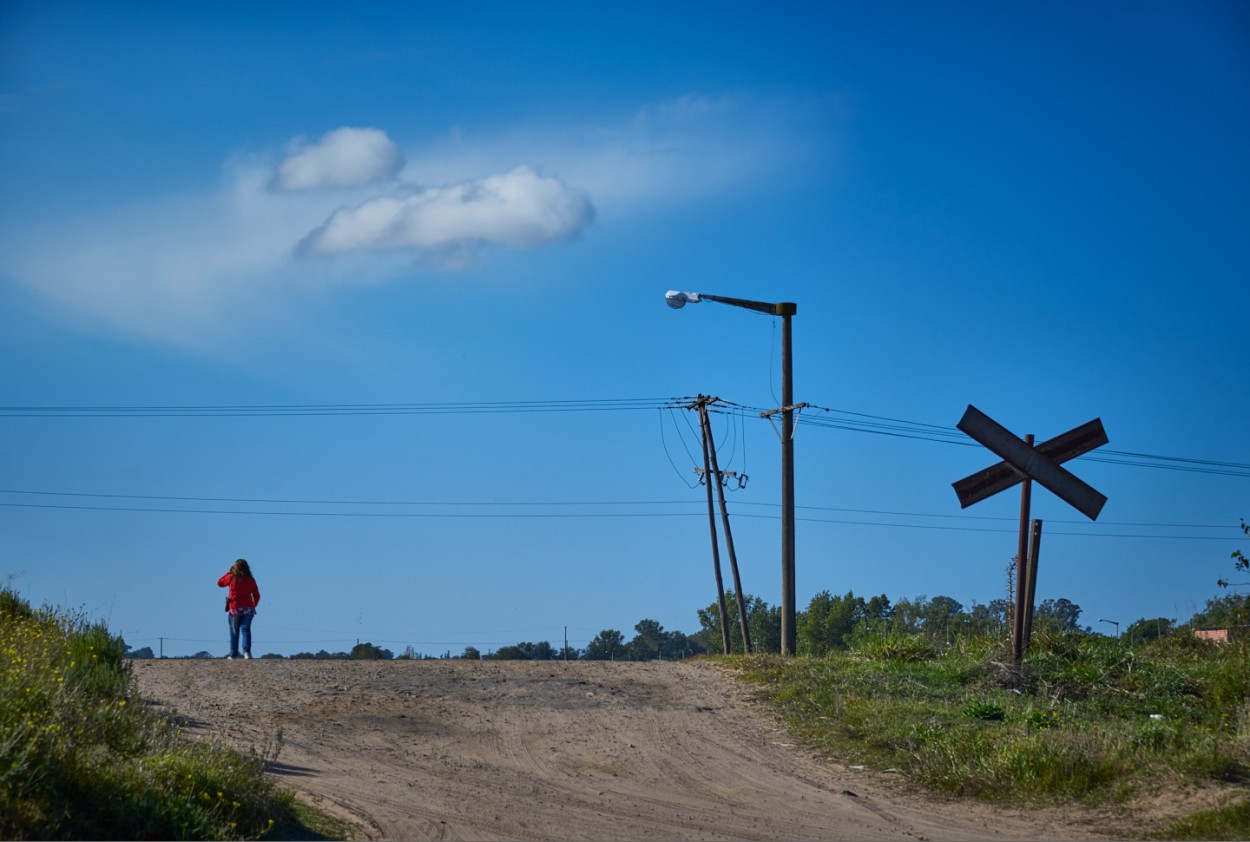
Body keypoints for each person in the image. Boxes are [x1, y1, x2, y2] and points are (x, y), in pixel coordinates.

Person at [218, 559, 261, 660]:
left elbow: (219, 583)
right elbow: (257, 595)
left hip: (235, 608)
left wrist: (228, 572)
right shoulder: (251, 579)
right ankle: (247, 652)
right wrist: (253, 605)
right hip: (248, 608)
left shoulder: (231, 577)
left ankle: (233, 654)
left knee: (234, 631)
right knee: (245, 629)